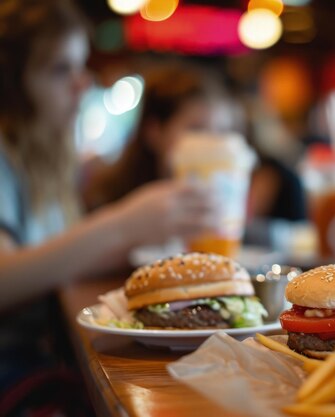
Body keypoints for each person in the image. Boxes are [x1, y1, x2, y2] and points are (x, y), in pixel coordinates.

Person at [0, 0, 215, 411]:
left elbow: (59, 258)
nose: (82, 83)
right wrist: (123, 224)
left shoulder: (42, 157)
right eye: (60, 69)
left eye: (82, 67)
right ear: (10, 80)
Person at [83, 61, 242, 210]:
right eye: (196, 129)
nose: (212, 143)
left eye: (221, 130)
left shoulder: (223, 207)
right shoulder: (109, 205)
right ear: (154, 131)